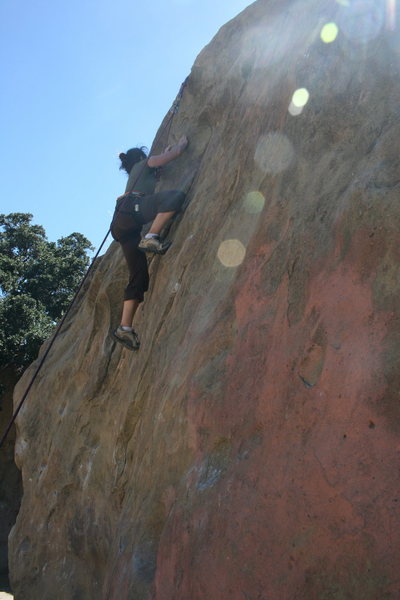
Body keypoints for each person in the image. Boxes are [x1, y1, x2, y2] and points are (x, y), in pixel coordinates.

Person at [110, 136, 188, 351]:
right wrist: (179, 146)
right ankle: (152, 237)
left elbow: (158, 170)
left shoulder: (139, 173)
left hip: (122, 224)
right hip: (131, 209)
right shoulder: (144, 163)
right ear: (142, 157)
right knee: (174, 197)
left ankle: (124, 327)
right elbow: (172, 156)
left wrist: (164, 156)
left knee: (139, 276)